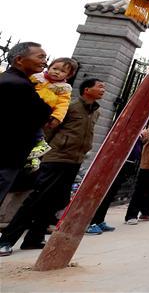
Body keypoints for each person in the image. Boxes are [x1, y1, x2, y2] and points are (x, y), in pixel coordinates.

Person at [0, 79, 104, 255]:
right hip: (56, 158)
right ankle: (6, 240)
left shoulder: (96, 111)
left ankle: (34, 238)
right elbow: (50, 131)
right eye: (99, 86)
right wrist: (43, 152)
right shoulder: (70, 107)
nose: (103, 90)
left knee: (56, 201)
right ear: (87, 90)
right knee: (37, 199)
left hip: (74, 160)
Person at [0, 42, 51, 207]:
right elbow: (41, 114)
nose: (45, 61)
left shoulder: (11, 80)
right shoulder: (17, 85)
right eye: (40, 56)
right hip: (7, 155)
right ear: (20, 59)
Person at [26, 57, 79, 171]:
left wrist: (57, 117)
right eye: (55, 68)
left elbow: (63, 104)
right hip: (28, 108)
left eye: (62, 71)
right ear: (49, 68)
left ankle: (37, 151)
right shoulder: (36, 77)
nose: (57, 72)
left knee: (36, 132)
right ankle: (33, 155)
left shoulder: (63, 88)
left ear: (68, 76)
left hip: (42, 113)